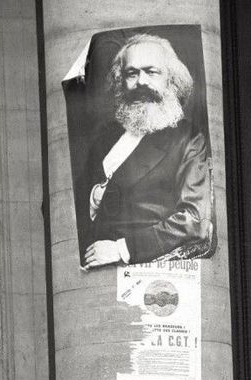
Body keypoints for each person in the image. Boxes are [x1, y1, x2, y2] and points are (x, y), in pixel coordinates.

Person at [83, 34, 213, 269]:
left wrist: (122, 249)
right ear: (121, 82)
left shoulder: (188, 139)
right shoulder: (106, 135)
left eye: (151, 72)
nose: (141, 82)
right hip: (89, 262)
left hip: (140, 265)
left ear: (170, 80)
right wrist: (94, 198)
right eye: (131, 73)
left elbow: (194, 220)